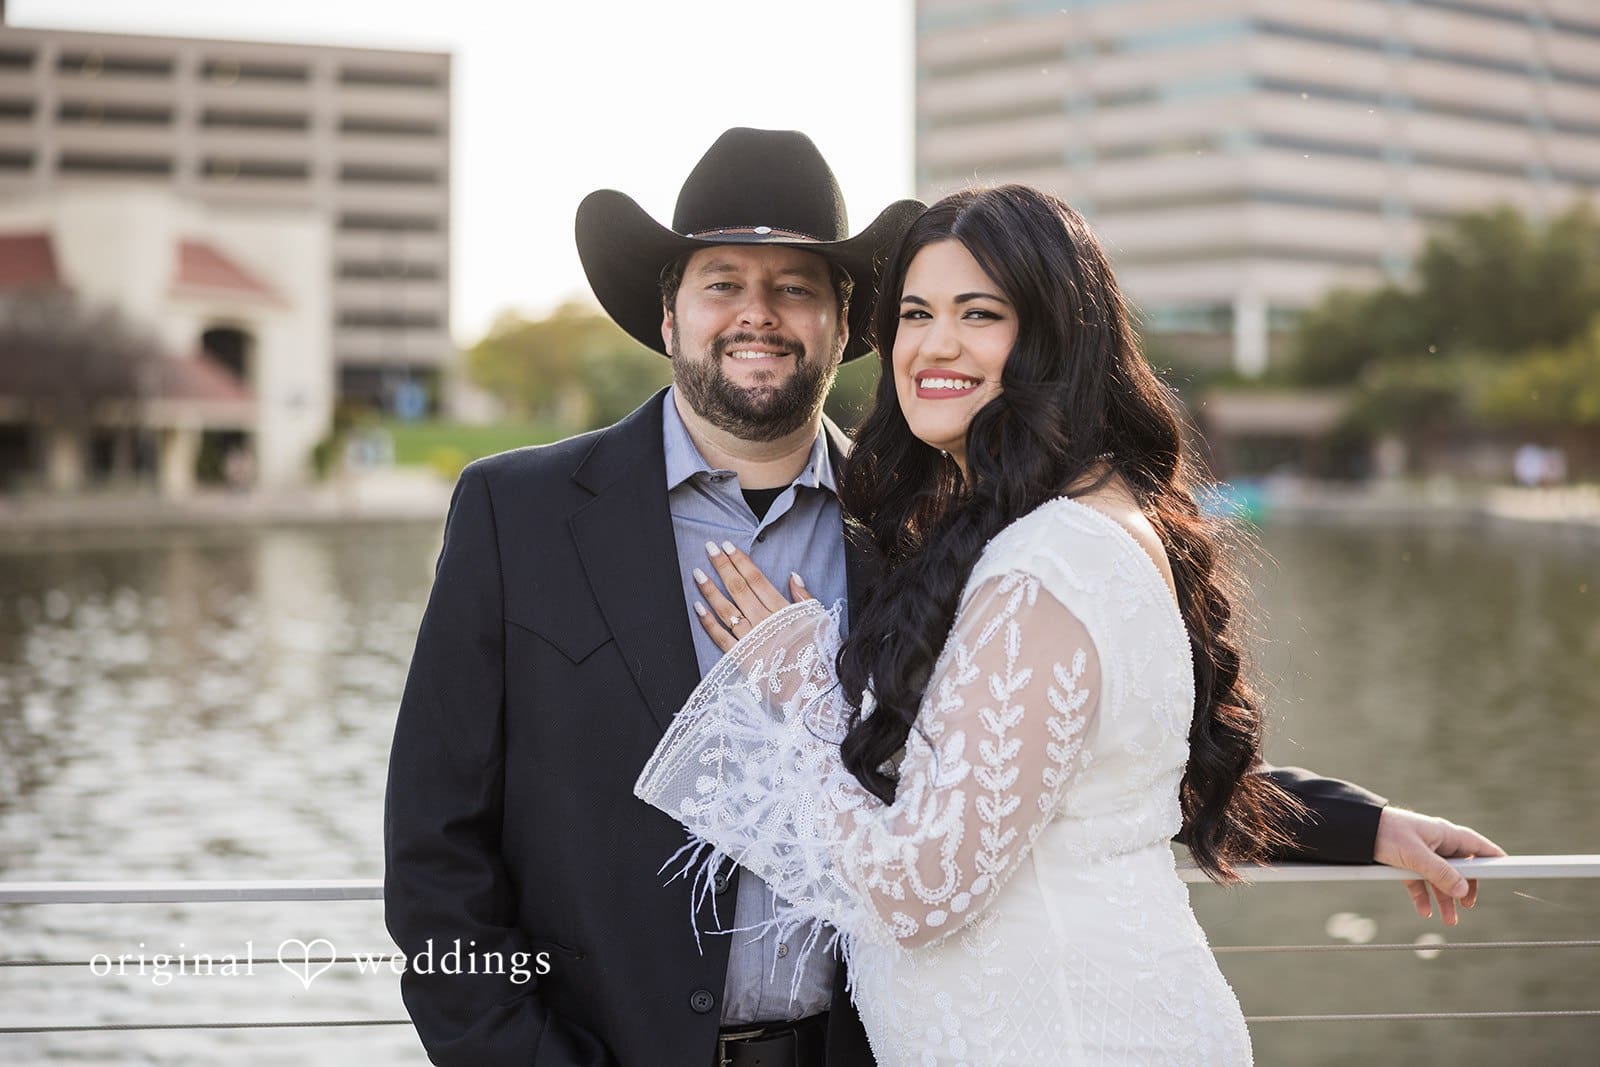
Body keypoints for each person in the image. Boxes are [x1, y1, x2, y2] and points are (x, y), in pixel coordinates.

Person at [385, 131, 1501, 1067]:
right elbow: (437, 851)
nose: (757, 313)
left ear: (845, 327)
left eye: (795, 287)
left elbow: (1054, 765)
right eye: (721, 281)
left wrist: (1356, 824)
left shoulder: (922, 526)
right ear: (668, 315)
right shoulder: (516, 513)